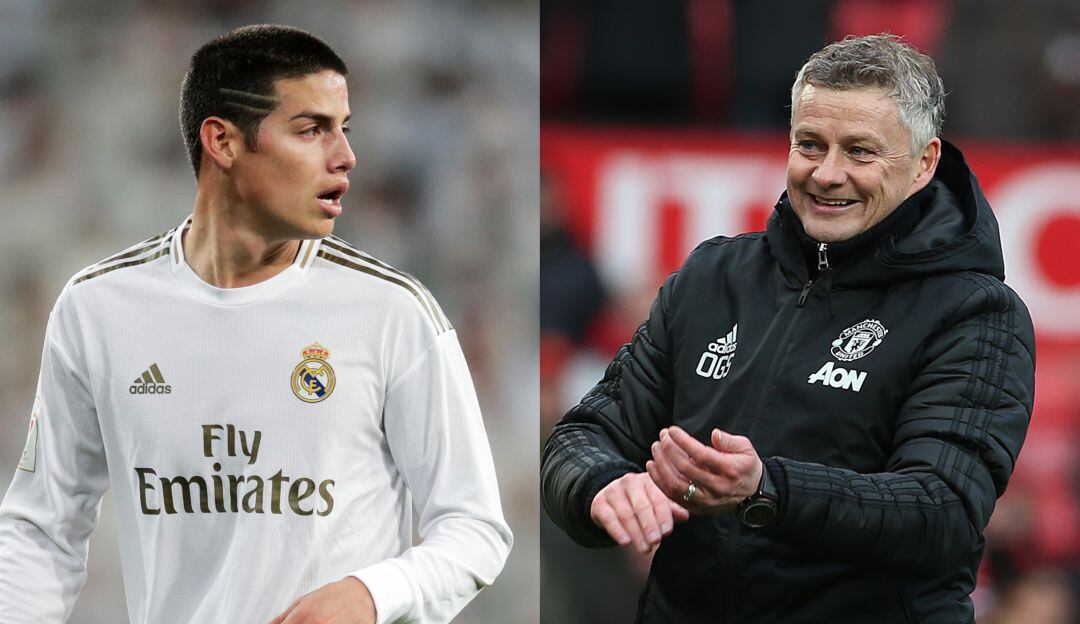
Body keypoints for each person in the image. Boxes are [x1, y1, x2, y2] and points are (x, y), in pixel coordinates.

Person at [0, 24, 511, 624]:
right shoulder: (98, 309)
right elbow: (42, 531)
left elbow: (475, 527)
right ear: (222, 141)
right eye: (312, 129)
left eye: (345, 129)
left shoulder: (393, 312)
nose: (345, 155)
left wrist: (373, 594)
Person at [541, 34, 1035, 623]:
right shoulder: (711, 276)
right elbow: (582, 436)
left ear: (924, 163)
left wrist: (767, 490)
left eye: (859, 151)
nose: (827, 174)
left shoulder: (977, 314)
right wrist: (603, 485)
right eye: (810, 144)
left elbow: (942, 510)